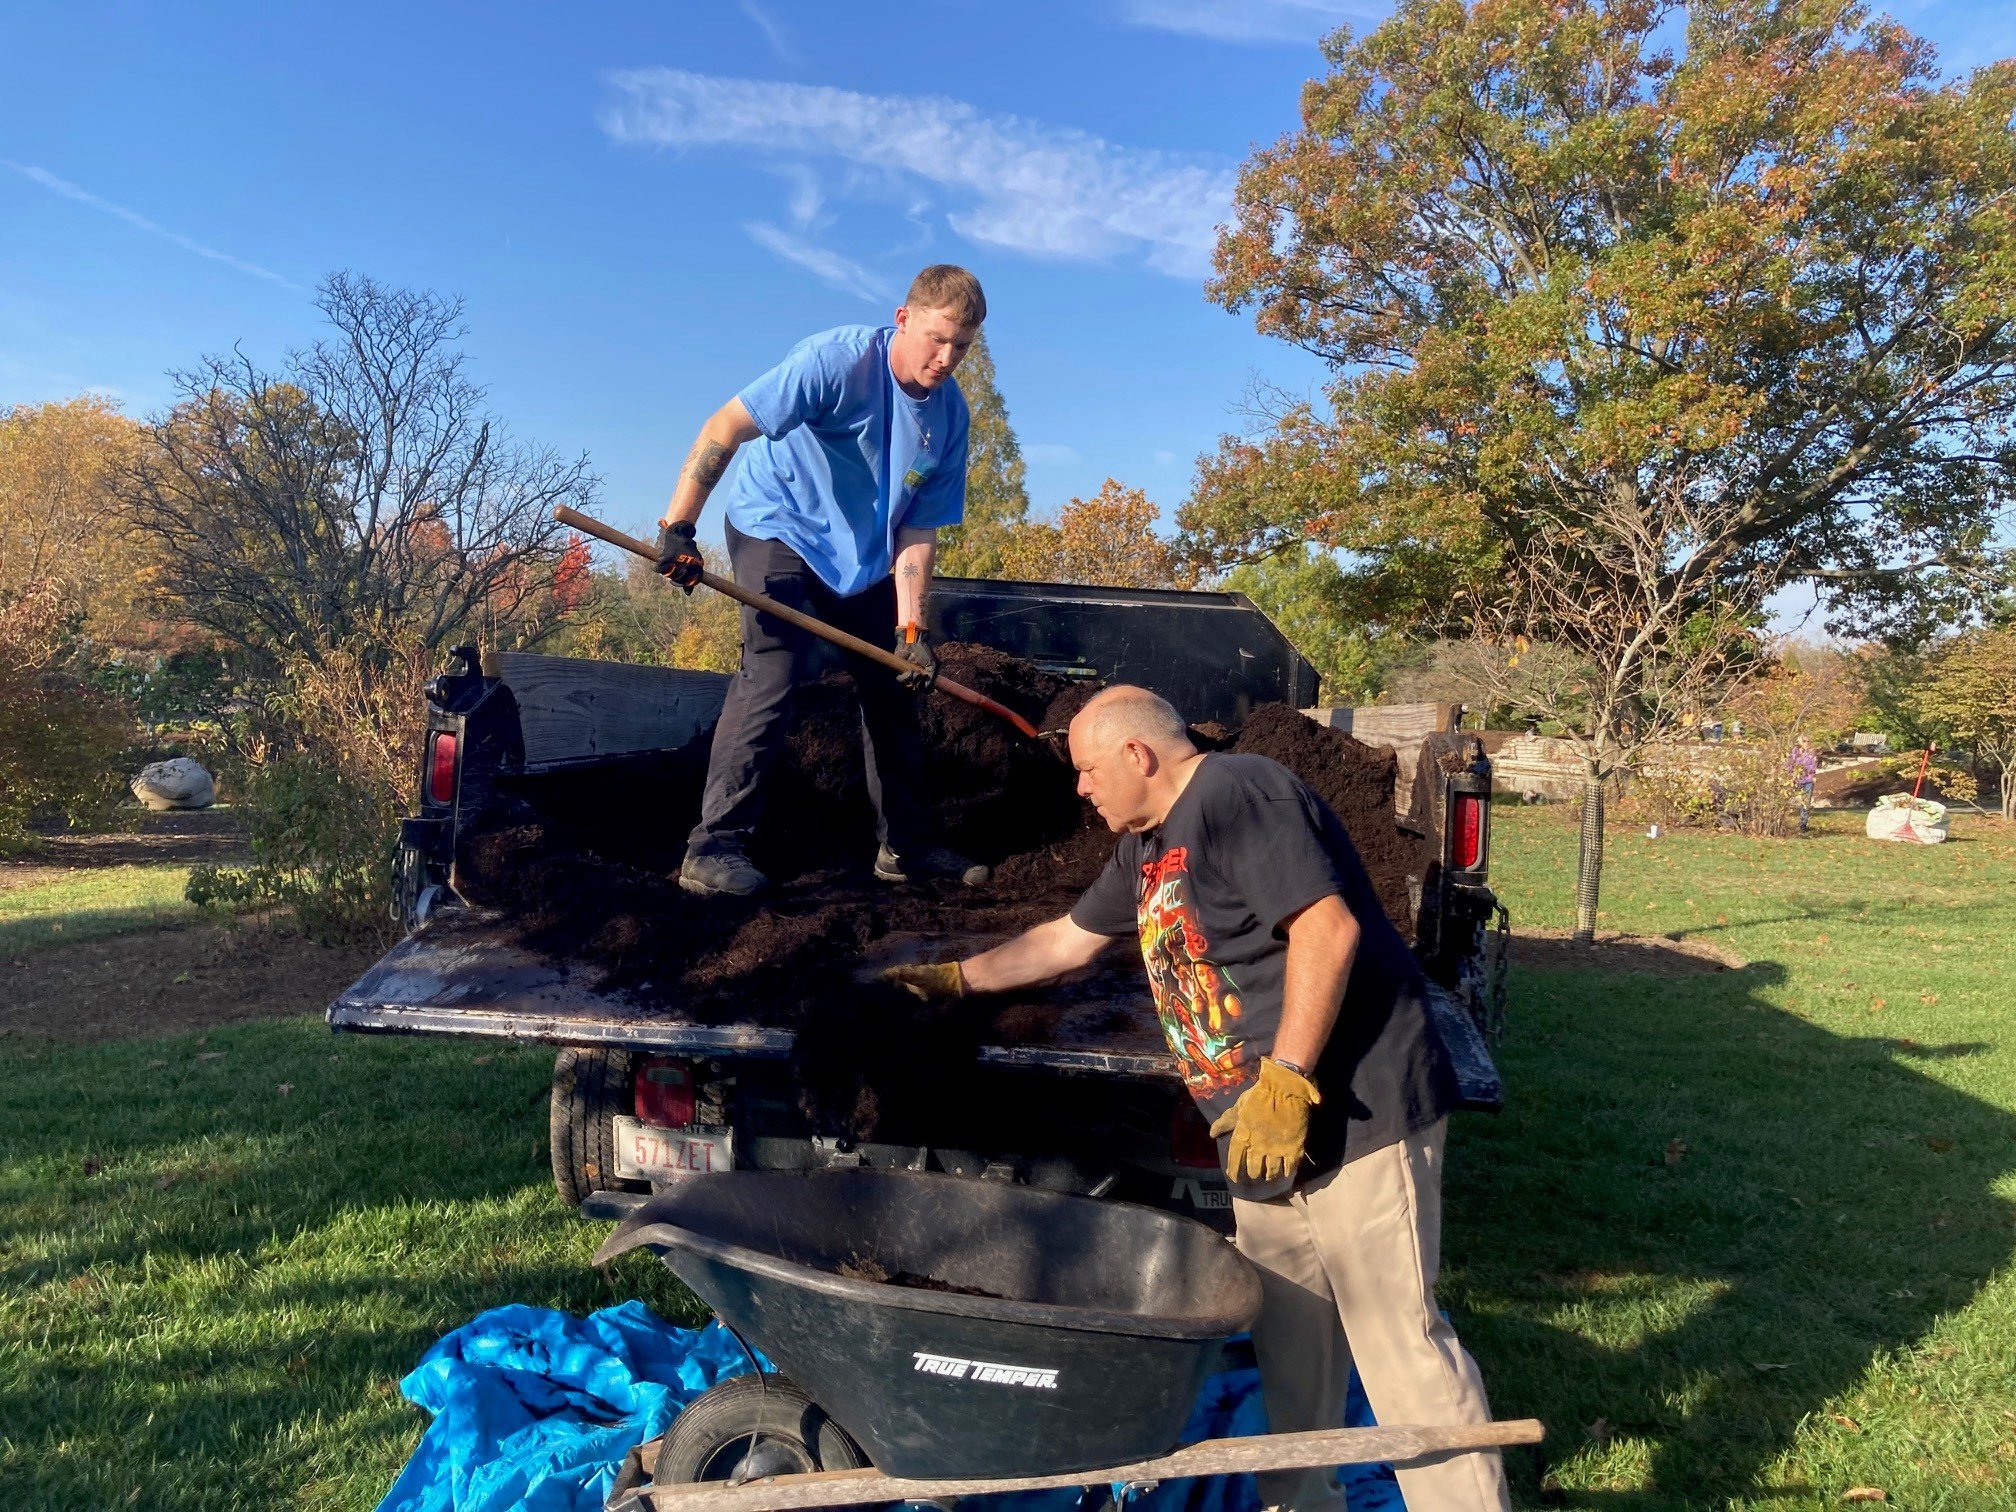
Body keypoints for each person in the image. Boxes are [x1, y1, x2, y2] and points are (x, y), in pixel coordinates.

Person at [884, 686, 1511, 1512]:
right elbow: (1067, 942)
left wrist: (1287, 1079)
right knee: (1294, 1349)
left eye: (1087, 769)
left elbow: (1330, 928)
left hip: (1352, 1111)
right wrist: (954, 981)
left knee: (1400, 1346)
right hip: (1255, 1137)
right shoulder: (1147, 848)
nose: (1079, 787)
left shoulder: (1237, 794)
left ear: (1138, 755)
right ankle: (1302, 1502)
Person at [656, 265, 993, 897]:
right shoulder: (834, 363)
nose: (947, 358)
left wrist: (911, 626)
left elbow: (917, 531)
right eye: (936, 339)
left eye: (963, 347)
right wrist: (679, 526)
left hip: (860, 554)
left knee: (894, 681)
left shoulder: (949, 418)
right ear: (903, 318)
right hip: (776, 525)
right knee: (774, 663)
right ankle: (714, 849)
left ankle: (906, 848)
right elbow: (724, 426)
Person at [1788, 735, 1819, 835]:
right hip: (1796, 780)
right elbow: (1789, 765)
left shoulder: (1812, 753)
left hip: (1808, 781)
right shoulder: (1795, 752)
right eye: (1804, 741)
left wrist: (1812, 775)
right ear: (1799, 742)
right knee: (1789, 800)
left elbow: (1813, 766)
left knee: (1806, 802)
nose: (1807, 743)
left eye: (1808, 741)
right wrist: (1790, 776)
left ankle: (1803, 824)